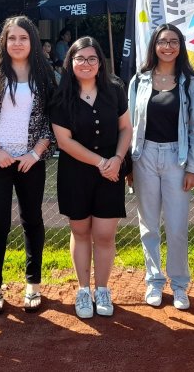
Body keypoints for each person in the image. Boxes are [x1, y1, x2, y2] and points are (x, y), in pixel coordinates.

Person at [0, 15, 57, 314]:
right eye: (12, 38)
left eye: (23, 38)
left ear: (32, 41)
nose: (17, 43)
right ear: (4, 42)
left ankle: (33, 283)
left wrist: (35, 153)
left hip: (31, 161)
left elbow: (52, 120)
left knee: (32, 220)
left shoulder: (45, 75)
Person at [50, 37, 131, 319]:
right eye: (80, 58)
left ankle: (103, 289)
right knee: (81, 232)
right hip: (76, 173)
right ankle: (84, 290)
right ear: (70, 62)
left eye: (92, 58)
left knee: (105, 235)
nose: (86, 64)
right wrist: (100, 162)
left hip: (111, 171)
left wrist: (117, 159)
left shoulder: (115, 89)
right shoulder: (61, 96)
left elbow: (126, 128)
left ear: (100, 63)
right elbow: (64, 141)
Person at [127, 23, 194, 311]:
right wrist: (129, 165)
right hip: (144, 157)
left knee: (177, 227)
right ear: (154, 46)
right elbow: (129, 125)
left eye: (173, 41)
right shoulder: (139, 80)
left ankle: (180, 285)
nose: (168, 46)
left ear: (180, 46)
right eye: (162, 41)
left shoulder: (190, 83)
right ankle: (154, 281)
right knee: (148, 225)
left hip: (177, 159)